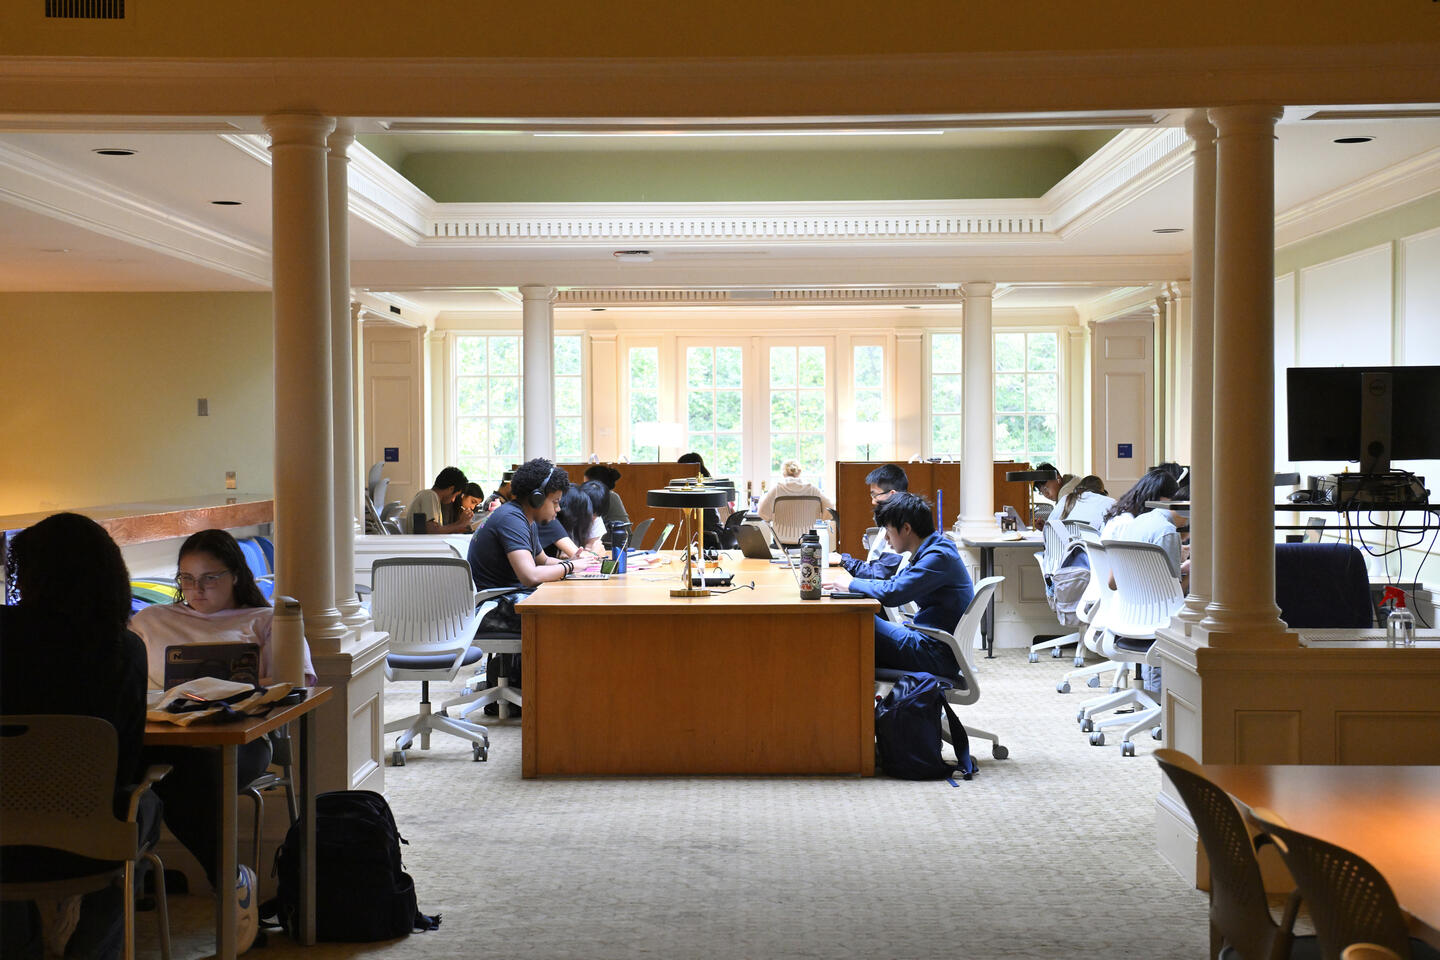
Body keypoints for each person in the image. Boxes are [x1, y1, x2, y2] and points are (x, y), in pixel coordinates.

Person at [130, 529, 316, 953]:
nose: (196, 590)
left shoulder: (265, 620)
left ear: (235, 575)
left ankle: (217, 881)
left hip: (241, 742)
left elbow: (295, 683)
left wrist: (236, 689)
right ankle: (229, 881)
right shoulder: (149, 622)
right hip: (167, 738)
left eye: (209, 578)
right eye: (186, 579)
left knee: (177, 777)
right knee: (164, 770)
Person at [1, 513, 154, 960]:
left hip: (5, 834)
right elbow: (126, 760)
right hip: (88, 843)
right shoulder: (123, 651)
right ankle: (91, 950)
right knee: (138, 805)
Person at [824, 493, 974, 677]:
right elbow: (892, 584)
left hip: (934, 653)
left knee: (851, 622)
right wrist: (851, 584)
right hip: (931, 642)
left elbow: (893, 593)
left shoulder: (938, 557)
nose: (886, 539)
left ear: (906, 528)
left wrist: (852, 584)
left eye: (888, 531)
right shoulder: (934, 549)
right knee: (853, 624)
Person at [466, 458, 575, 711]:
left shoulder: (523, 518)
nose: (558, 510)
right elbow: (529, 576)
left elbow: (543, 561)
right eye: (555, 502)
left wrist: (576, 562)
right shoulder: (511, 519)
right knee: (565, 618)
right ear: (537, 498)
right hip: (491, 610)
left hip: (501, 601)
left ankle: (527, 690)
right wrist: (569, 568)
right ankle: (552, 701)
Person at [834, 463, 909, 579]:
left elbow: (880, 574)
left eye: (875, 495)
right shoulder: (890, 520)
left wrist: (843, 561)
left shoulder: (900, 525)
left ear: (892, 494)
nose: (873, 502)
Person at [756, 459, 836, 524]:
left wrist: (774, 517)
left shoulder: (776, 489)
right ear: (799, 472)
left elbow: (762, 512)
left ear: (783, 474)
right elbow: (830, 510)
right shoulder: (812, 489)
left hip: (780, 540)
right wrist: (817, 516)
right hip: (807, 539)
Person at [402, 466, 474, 534]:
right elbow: (432, 531)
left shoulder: (431, 497)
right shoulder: (429, 495)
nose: (453, 500)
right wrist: (460, 524)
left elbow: (437, 529)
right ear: (451, 489)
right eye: (455, 495)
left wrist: (461, 523)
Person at [540, 485, 605, 558]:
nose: (558, 509)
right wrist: (595, 553)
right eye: (555, 502)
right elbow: (580, 557)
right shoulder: (551, 522)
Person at [582, 465, 629, 538]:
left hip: (613, 540)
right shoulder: (613, 495)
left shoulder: (605, 497)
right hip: (622, 538)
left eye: (586, 484)